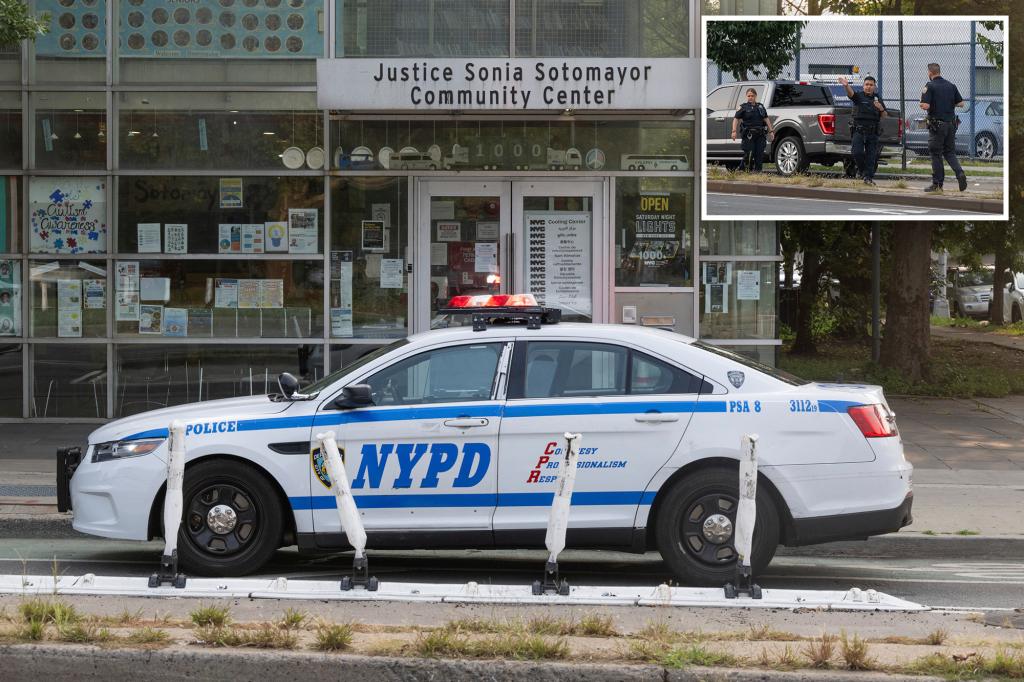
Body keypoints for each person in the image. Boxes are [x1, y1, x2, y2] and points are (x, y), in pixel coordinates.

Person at [919, 62, 967, 193]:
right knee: (950, 153)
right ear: (939, 72)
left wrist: (921, 103)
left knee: (936, 154)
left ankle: (937, 184)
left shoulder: (929, 86)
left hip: (937, 126)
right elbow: (961, 103)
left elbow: (925, 106)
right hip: (951, 125)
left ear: (930, 73)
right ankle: (960, 173)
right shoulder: (951, 86)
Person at [839, 75, 886, 186]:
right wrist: (846, 86)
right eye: (866, 85)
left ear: (874, 87)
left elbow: (884, 115)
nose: (868, 87)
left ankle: (868, 178)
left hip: (872, 132)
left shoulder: (877, 98)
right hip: (859, 131)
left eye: (871, 85)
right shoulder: (859, 96)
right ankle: (862, 171)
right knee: (857, 153)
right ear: (863, 86)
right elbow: (851, 94)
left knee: (871, 157)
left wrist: (881, 108)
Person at [731, 88, 775, 172]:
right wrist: (734, 131)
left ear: (755, 96)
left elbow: (766, 119)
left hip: (760, 134)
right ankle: (743, 170)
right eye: (749, 96)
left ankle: (758, 171)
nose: (750, 97)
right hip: (749, 135)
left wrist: (771, 131)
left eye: (752, 96)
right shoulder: (743, 107)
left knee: (759, 154)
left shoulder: (760, 106)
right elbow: (736, 119)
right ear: (746, 96)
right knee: (749, 153)